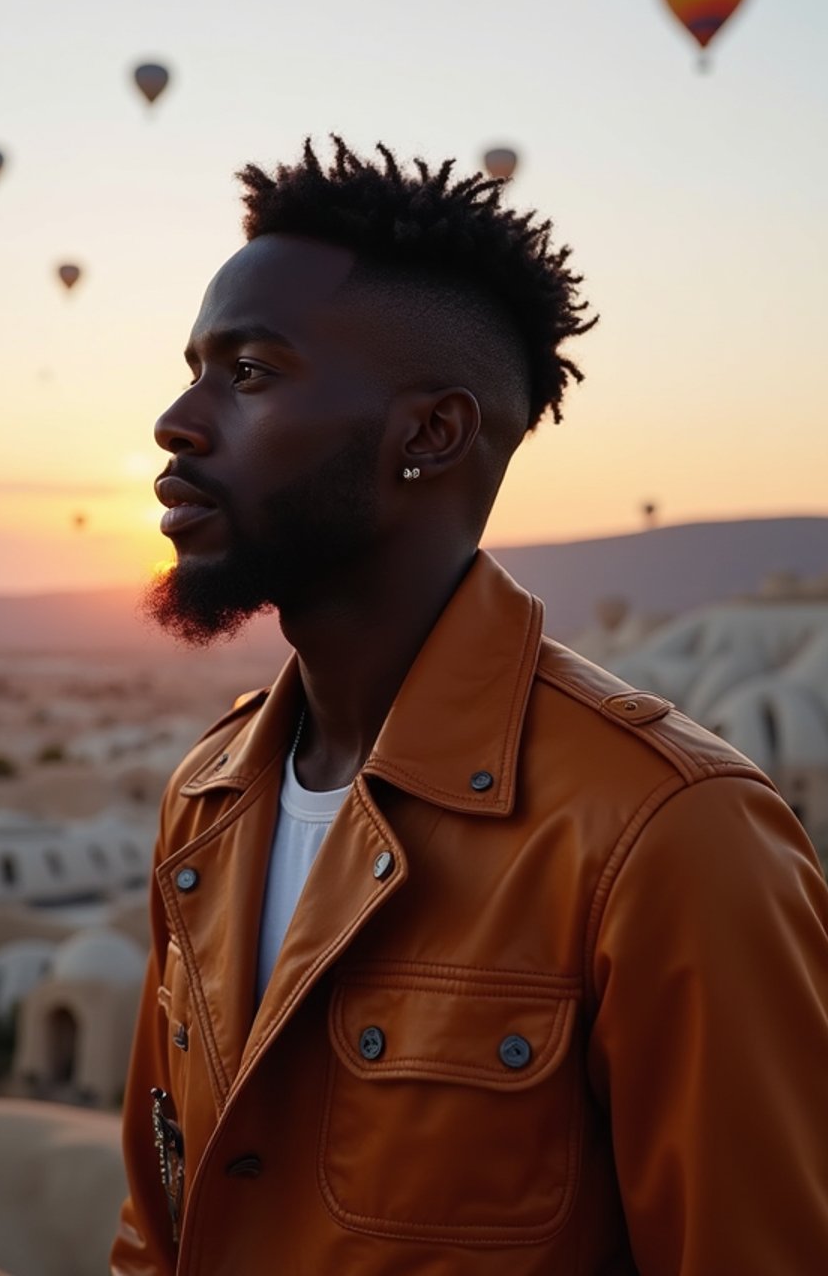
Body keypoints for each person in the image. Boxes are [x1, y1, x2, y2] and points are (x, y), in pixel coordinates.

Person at [111, 138, 828, 1275]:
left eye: (247, 373)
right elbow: (157, 1229)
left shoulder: (665, 834)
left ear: (431, 434)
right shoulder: (206, 801)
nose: (176, 421)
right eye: (195, 367)